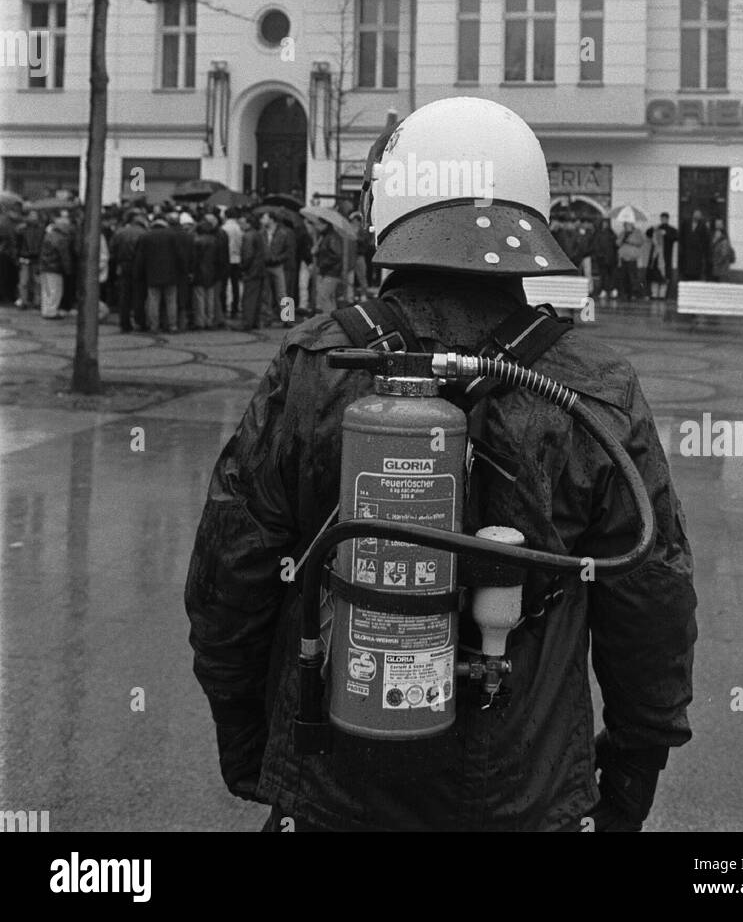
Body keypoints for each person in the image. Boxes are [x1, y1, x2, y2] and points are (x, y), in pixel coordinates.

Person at [186, 96, 696, 834]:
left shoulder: (314, 365)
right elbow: (651, 597)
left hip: (335, 793)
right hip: (525, 796)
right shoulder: (596, 385)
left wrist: (249, 743)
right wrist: (629, 775)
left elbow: (229, 574)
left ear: (388, 207)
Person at [136, 215, 180, 334]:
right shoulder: (172, 235)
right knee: (171, 301)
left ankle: (154, 326)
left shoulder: (146, 236)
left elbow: (141, 257)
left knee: (153, 301)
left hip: (152, 273)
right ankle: (173, 325)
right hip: (171, 273)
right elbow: (178, 255)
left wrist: (139, 273)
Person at [110, 211, 148, 332]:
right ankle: (140, 321)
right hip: (140, 266)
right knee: (139, 295)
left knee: (124, 296)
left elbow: (112, 249)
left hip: (123, 264)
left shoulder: (120, 232)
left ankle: (124, 323)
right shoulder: (144, 233)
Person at [39, 213, 74, 319]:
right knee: (55, 290)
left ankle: (46, 310)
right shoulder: (61, 238)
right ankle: (51, 311)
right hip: (54, 267)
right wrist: (68, 269)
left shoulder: (49, 235)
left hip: (45, 266)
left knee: (46, 291)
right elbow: (64, 256)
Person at [239, 213, 267, 331]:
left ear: (248, 223)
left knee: (249, 298)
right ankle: (255, 321)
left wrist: (243, 267)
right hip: (259, 270)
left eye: (242, 222)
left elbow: (248, 255)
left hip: (252, 271)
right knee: (256, 298)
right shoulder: (258, 234)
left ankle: (247, 322)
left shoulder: (248, 236)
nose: (240, 225)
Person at [313, 218, 343, 315]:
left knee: (324, 296)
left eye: (318, 224)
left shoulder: (332, 237)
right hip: (327, 271)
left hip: (331, 271)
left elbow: (337, 255)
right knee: (329, 297)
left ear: (325, 224)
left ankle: (329, 320)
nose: (316, 227)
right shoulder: (325, 236)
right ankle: (334, 319)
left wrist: (322, 264)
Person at [15, 211, 44, 310]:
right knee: (24, 281)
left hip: (35, 257)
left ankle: (37, 301)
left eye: (35, 216)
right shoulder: (22, 229)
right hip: (25, 257)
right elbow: (17, 244)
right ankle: (24, 301)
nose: (33, 218)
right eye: (31, 216)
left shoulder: (40, 229)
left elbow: (41, 244)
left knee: (37, 281)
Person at [645, 213, 678, 301]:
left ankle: (662, 295)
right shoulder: (656, 228)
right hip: (655, 257)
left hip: (665, 258)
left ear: (667, 219)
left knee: (664, 276)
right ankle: (654, 294)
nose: (663, 220)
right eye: (662, 218)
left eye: (665, 218)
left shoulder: (671, 230)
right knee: (654, 276)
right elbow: (648, 233)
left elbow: (676, 237)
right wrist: (653, 228)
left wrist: (666, 234)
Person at [221, 209, 243, 319]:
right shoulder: (238, 228)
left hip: (225, 259)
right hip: (236, 258)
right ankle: (235, 308)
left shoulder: (224, 228)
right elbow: (240, 243)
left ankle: (224, 308)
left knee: (224, 285)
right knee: (235, 285)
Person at [679, 209, 712, 281]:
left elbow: (706, 240)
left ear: (701, 217)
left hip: (697, 256)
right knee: (685, 277)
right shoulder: (686, 223)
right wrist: (682, 249)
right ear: (693, 214)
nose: (697, 216)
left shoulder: (703, 226)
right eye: (696, 214)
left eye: (699, 215)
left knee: (695, 277)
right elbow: (681, 236)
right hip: (686, 256)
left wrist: (703, 251)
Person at [616, 220, 645, 301]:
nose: (626, 226)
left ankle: (633, 294)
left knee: (633, 277)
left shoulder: (637, 232)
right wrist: (623, 239)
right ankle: (625, 293)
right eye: (625, 225)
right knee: (624, 277)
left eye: (628, 224)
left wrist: (630, 241)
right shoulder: (623, 233)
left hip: (632, 258)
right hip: (623, 257)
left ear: (632, 224)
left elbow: (641, 242)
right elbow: (617, 243)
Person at [592, 217, 618, 301]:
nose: (605, 225)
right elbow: (596, 246)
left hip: (611, 258)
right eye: (604, 223)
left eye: (606, 223)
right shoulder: (598, 233)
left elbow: (616, 245)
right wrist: (600, 255)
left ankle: (612, 290)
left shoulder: (612, 233)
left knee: (612, 275)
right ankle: (603, 290)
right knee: (603, 275)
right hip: (602, 259)